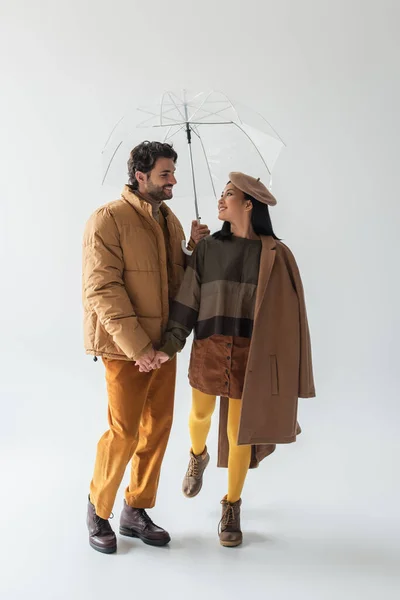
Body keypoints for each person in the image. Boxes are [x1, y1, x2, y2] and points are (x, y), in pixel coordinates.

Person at [146, 172, 316, 547]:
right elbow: (188, 299)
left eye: (228, 195)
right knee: (200, 416)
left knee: (239, 433)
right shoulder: (209, 249)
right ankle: (197, 455)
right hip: (209, 347)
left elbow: (292, 316)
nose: (220, 201)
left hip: (250, 356)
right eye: (221, 195)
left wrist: (284, 365)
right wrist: (170, 344)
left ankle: (232, 504)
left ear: (249, 204)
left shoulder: (277, 254)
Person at [82, 141, 210, 553]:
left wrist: (192, 249)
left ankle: (135, 509)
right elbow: (103, 290)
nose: (173, 181)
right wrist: (138, 348)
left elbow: (175, 284)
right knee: (124, 433)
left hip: (162, 348)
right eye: (165, 174)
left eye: (173, 173)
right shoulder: (108, 219)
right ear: (140, 175)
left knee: (156, 430)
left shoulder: (168, 220)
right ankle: (98, 510)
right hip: (127, 351)